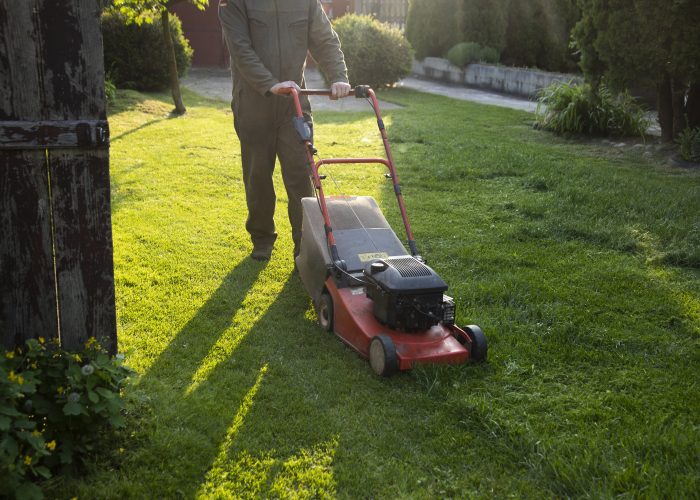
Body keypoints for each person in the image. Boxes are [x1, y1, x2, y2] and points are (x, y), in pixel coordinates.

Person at [219, 0, 351, 261]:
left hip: (294, 104)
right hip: (254, 102)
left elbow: (325, 39)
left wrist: (338, 75)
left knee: (301, 176)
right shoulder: (234, 2)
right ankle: (262, 238)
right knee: (258, 176)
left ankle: (304, 246)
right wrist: (270, 84)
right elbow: (240, 49)